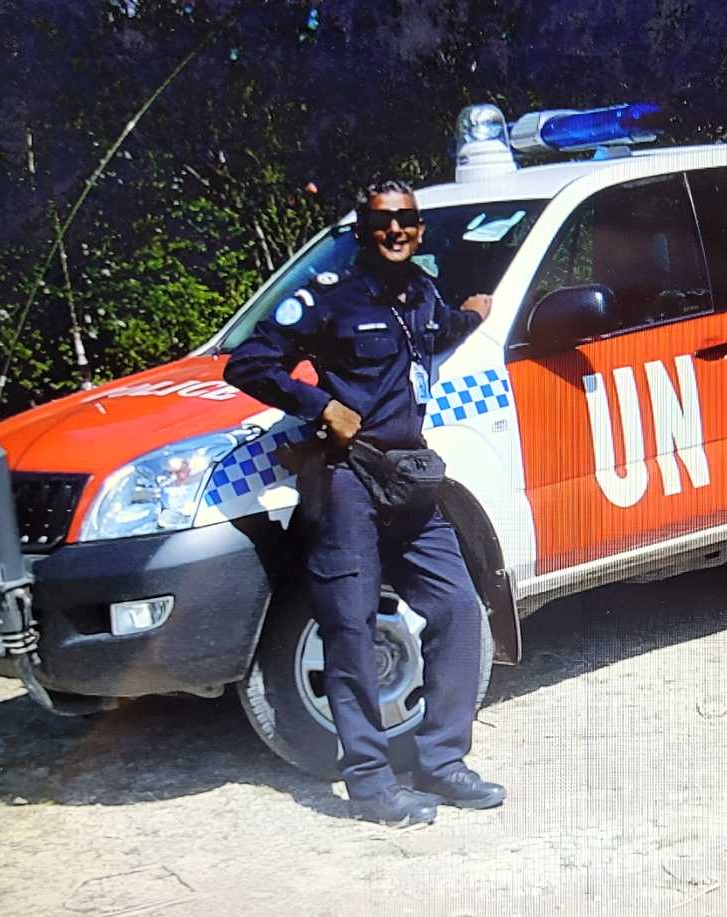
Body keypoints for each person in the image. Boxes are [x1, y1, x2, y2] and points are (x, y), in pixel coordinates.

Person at [225, 179, 505, 827]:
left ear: (420, 228)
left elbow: (442, 332)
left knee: (459, 608)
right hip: (349, 479)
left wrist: (478, 312)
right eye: (384, 221)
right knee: (349, 629)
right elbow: (247, 364)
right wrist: (320, 404)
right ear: (364, 229)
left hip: (411, 480)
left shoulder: (422, 295)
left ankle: (441, 760)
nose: (397, 230)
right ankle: (372, 782)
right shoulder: (328, 299)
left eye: (408, 219)